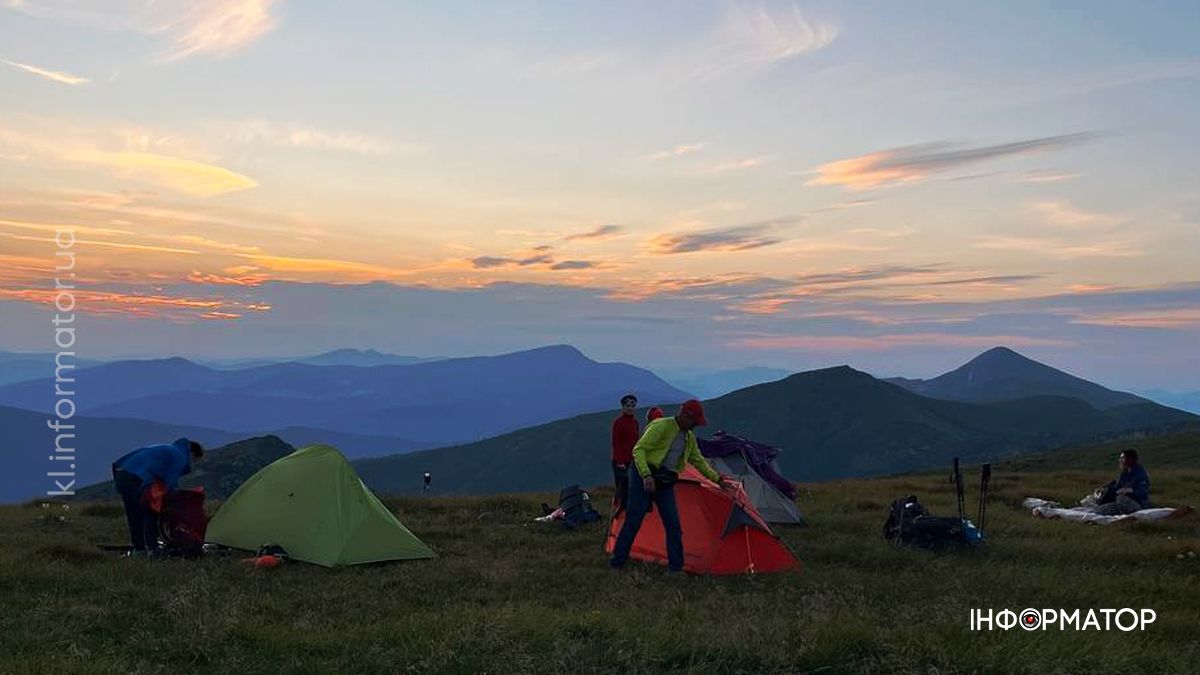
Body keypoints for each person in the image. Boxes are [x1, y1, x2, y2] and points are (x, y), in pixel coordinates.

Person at [609, 399, 733, 573]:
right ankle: (617, 562)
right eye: (694, 422)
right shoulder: (661, 426)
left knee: (673, 524)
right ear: (686, 416)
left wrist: (718, 480)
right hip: (642, 475)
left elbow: (698, 461)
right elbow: (639, 450)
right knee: (634, 520)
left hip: (665, 480)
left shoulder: (689, 438)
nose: (695, 426)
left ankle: (676, 568)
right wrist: (646, 475)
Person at [111, 438, 203, 555]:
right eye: (194, 460)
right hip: (136, 477)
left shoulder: (168, 449)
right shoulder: (180, 455)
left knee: (134, 513)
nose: (191, 463)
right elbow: (171, 482)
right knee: (150, 510)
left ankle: (139, 548)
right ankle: (152, 548)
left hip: (122, 472)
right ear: (192, 453)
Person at [1094, 449, 1150, 516]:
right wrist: (1103, 489)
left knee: (1120, 499)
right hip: (1123, 500)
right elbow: (1116, 485)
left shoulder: (1140, 473)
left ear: (1130, 459)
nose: (1120, 460)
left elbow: (1143, 491)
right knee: (1102, 497)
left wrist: (1130, 490)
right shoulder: (1124, 473)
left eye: (1122, 458)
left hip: (1137, 503)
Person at [610, 393, 640, 510]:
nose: (630, 407)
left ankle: (627, 508)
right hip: (620, 461)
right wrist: (620, 461)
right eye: (627, 405)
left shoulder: (635, 423)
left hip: (632, 460)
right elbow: (616, 442)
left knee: (630, 486)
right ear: (623, 407)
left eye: (632, 405)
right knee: (621, 487)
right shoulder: (619, 422)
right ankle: (620, 509)